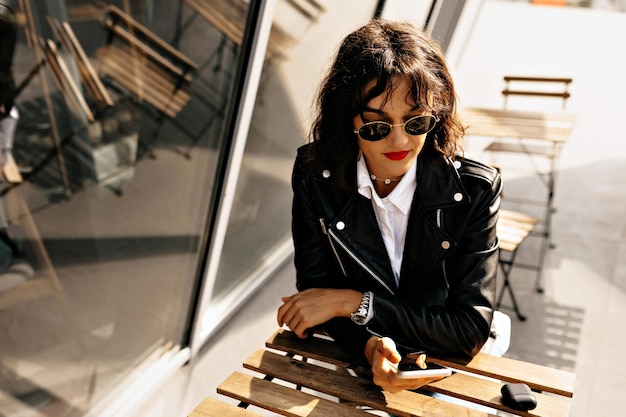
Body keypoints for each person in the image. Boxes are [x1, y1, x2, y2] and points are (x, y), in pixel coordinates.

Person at [277, 19, 502, 393]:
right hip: (355, 361)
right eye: (376, 126)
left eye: (416, 122)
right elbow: (318, 293)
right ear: (346, 118)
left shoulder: (475, 191)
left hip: (451, 369)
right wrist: (370, 348)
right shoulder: (314, 175)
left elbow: (469, 330)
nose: (399, 140)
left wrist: (357, 302)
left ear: (437, 114)